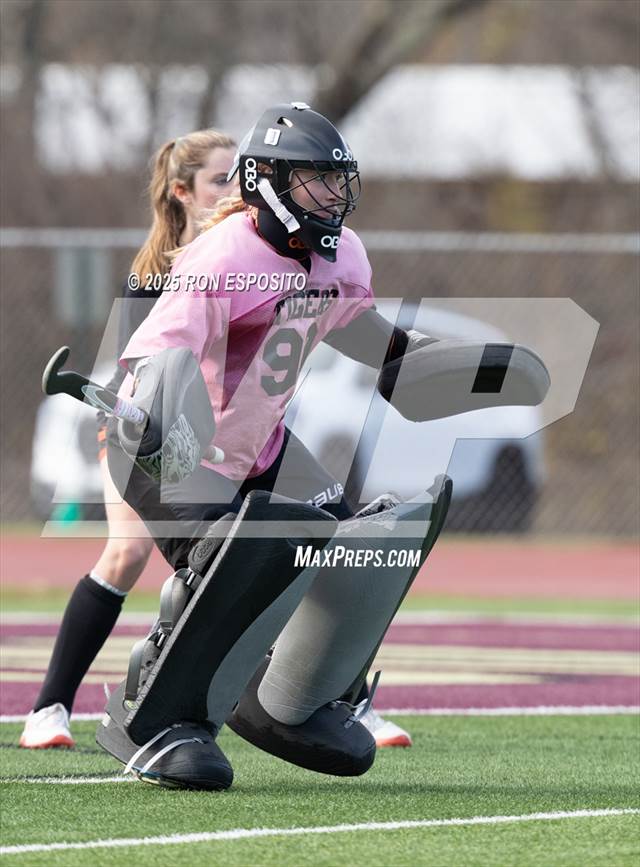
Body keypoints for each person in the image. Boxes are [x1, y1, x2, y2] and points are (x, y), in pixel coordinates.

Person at [20, 129, 238, 749]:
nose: (235, 190)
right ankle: (48, 710)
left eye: (240, 177)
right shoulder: (151, 280)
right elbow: (130, 379)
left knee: (280, 546)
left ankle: (341, 704)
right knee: (128, 554)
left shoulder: (247, 263)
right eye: (220, 179)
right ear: (181, 192)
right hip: (145, 438)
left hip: (228, 443)